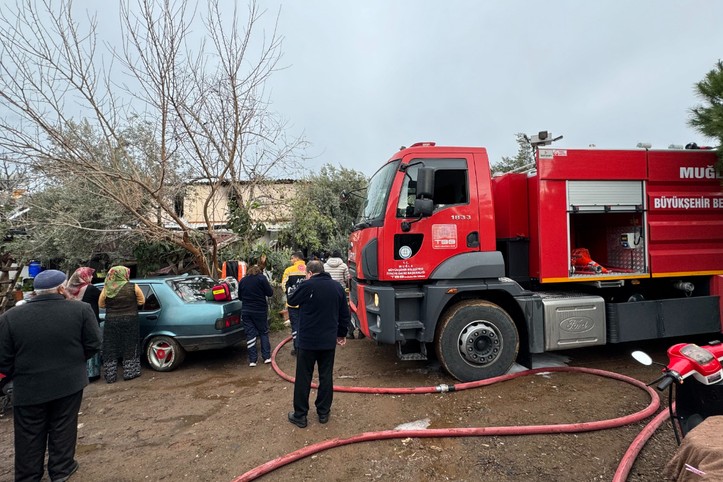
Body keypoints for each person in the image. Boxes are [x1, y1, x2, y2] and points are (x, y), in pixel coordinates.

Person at [0, 269, 102, 482]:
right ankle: (62, 469)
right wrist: (73, 363)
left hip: (28, 386)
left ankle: (29, 475)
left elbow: (3, 358)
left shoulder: (10, 317)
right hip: (69, 382)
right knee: (64, 424)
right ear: (62, 288)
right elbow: (93, 344)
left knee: (28, 432)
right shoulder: (80, 310)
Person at [287, 260, 350, 428]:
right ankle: (323, 413)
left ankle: (300, 415)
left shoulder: (307, 286)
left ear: (309, 273)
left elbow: (291, 300)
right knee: (325, 376)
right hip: (328, 341)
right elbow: (345, 313)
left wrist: (302, 284)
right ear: (323, 271)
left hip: (307, 342)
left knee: (303, 377)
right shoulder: (337, 288)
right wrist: (341, 334)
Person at [99, 265, 145, 383]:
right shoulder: (133, 286)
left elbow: (101, 305)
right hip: (130, 319)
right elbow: (142, 301)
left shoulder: (107, 288)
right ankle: (130, 372)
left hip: (112, 320)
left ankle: (110, 375)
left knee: (111, 347)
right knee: (130, 344)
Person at [65, 267, 103, 381]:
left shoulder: (69, 290)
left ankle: (80, 373)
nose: (91, 277)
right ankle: (92, 373)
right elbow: (104, 298)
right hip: (90, 320)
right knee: (91, 344)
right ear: (84, 277)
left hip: (75, 322)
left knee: (79, 347)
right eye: (89, 275)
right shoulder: (91, 289)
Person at [238, 259, 274, 367]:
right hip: (260, 310)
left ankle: (252, 360)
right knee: (263, 332)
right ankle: (266, 357)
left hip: (246, 311)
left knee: (250, 334)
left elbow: (240, 297)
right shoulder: (261, 278)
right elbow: (270, 293)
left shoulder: (243, 281)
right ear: (258, 271)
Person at [281, 251, 306, 356]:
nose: (291, 261)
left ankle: (297, 348)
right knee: (306, 325)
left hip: (293, 304)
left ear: (296, 258)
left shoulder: (289, 270)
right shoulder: (309, 269)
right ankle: (306, 347)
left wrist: (291, 294)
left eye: (291, 258)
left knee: (295, 326)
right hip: (307, 304)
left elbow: (283, 286)